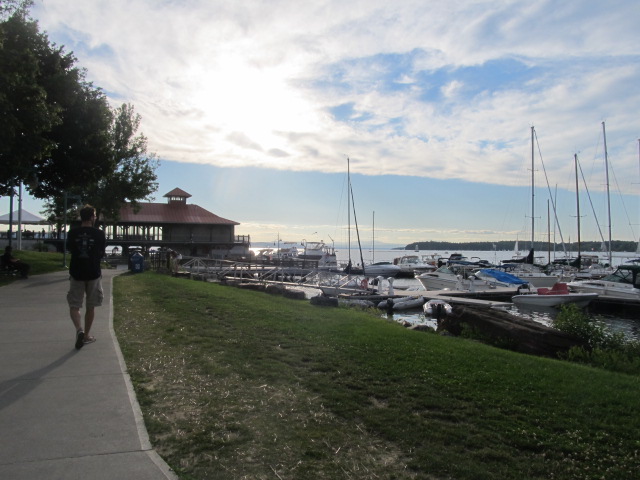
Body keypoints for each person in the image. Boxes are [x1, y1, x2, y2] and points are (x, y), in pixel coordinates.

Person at [66, 205, 106, 350]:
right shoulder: (99, 234)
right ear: (91, 217)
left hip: (76, 272)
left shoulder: (72, 233)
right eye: (94, 216)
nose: (95, 218)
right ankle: (87, 335)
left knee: (74, 305)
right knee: (91, 306)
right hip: (93, 272)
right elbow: (101, 251)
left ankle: (79, 330)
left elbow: (70, 249)